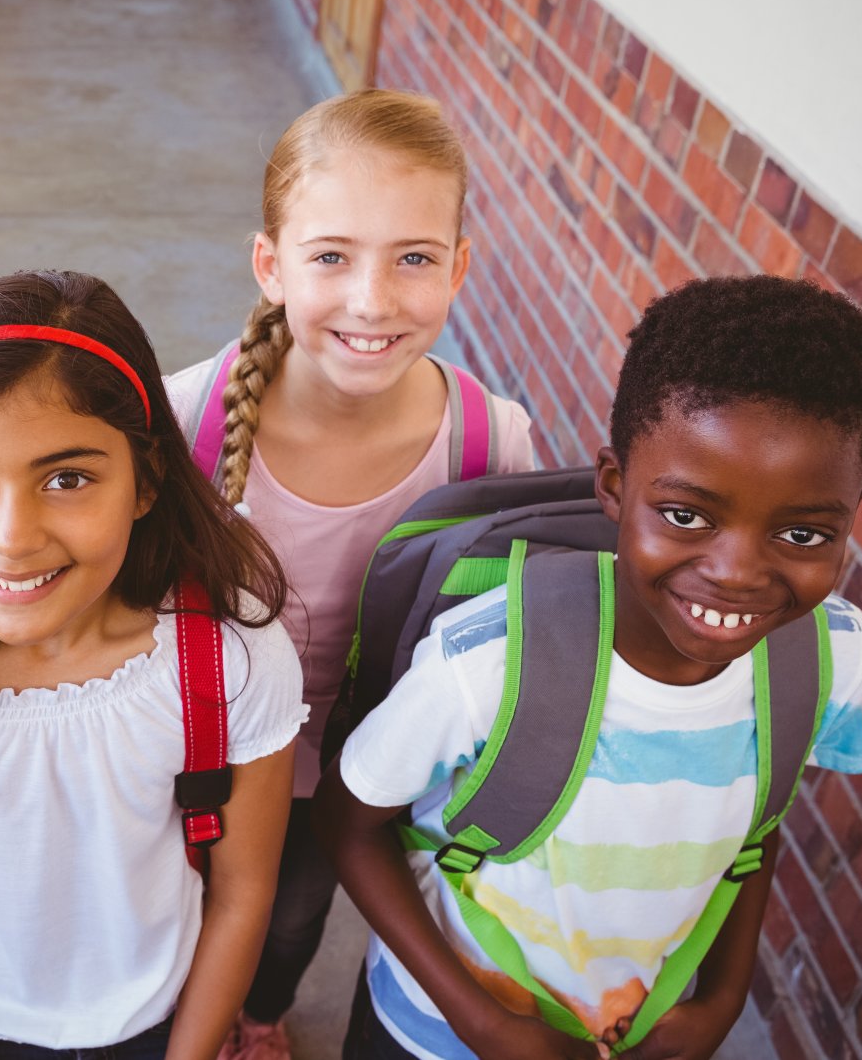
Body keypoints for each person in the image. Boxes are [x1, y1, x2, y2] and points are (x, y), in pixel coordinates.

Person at [315, 275, 862, 1060]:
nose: (735, 572)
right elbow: (349, 827)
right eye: (687, 515)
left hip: (641, 1030)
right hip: (431, 1032)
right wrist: (481, 1021)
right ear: (615, 486)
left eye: (801, 535)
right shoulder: (490, 663)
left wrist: (721, 1000)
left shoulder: (832, 663)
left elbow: (753, 824)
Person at [0, 269, 307, 1059]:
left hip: (163, 1025)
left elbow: (243, 893)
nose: (13, 536)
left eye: (67, 478)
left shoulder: (231, 657)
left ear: (146, 481)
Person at [165, 89, 535, 1058]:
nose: (372, 299)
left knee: (290, 918)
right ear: (270, 264)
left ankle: (259, 1012)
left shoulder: (490, 441)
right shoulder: (183, 418)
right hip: (188, 749)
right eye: (331, 255)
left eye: (413, 257)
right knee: (174, 907)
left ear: (458, 268)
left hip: (351, 768)